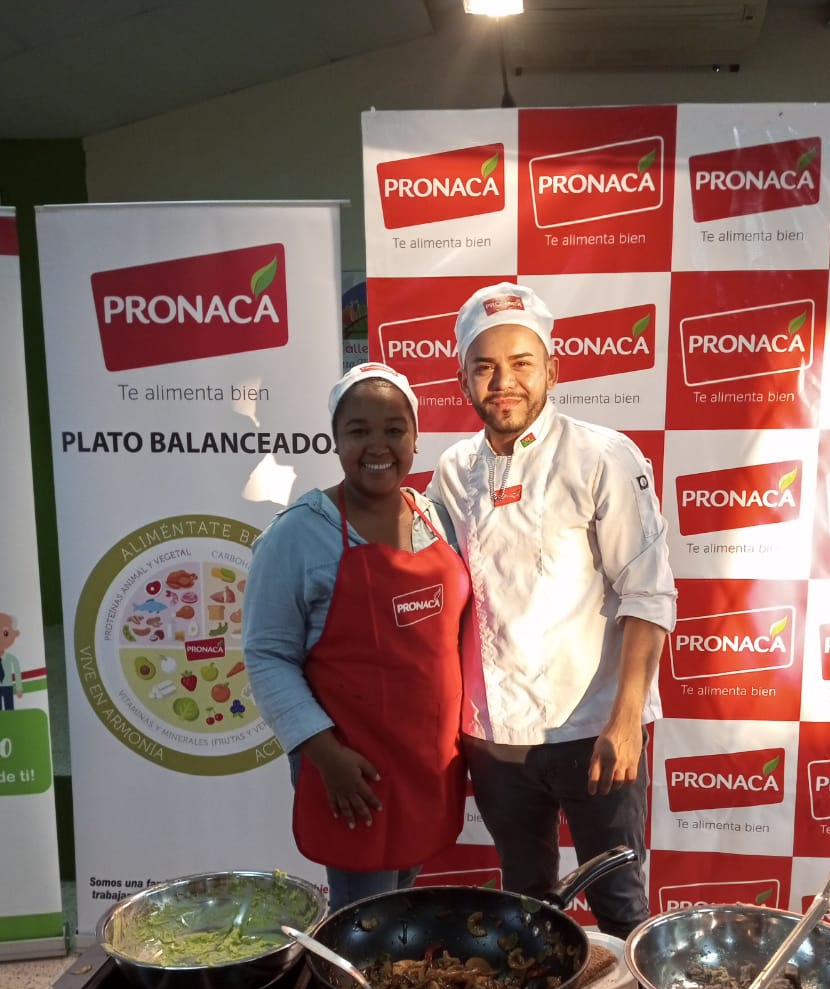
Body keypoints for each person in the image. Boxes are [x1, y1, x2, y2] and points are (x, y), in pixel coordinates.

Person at [427, 283, 677, 940]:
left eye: (521, 363)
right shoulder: (451, 470)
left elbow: (648, 594)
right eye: (484, 367)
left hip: (594, 727)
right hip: (496, 737)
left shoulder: (603, 456)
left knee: (620, 904)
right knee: (525, 901)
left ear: (552, 371)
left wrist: (627, 719)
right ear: (462, 379)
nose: (502, 382)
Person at [243, 363, 471, 914]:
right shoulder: (298, 534)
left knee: (401, 909)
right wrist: (324, 753)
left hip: (427, 764)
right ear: (335, 439)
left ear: (415, 438)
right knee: (364, 923)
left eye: (394, 430)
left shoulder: (436, 520)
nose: (378, 446)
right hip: (352, 768)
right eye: (359, 430)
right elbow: (268, 655)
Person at [0, 613, 23, 711]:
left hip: (8, 686)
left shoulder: (11, 659)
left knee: (9, 709)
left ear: (15, 634)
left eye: (5, 633)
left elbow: (17, 672)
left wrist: (19, 688)